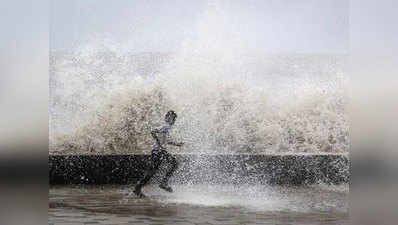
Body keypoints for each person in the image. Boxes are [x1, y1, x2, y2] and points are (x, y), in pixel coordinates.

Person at [134, 110, 184, 198]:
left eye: (174, 118)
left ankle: (139, 187)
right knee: (173, 164)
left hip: (159, 151)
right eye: (171, 118)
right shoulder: (166, 126)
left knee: (153, 172)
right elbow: (153, 132)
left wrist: (177, 144)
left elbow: (165, 141)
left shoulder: (166, 127)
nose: (173, 120)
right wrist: (159, 144)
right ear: (167, 118)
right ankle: (162, 183)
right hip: (158, 152)